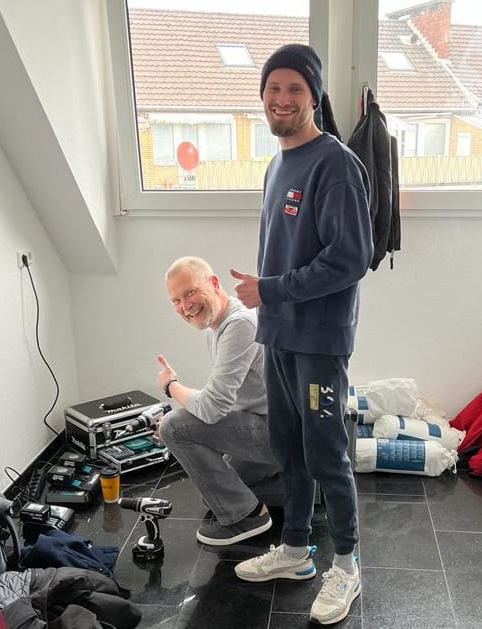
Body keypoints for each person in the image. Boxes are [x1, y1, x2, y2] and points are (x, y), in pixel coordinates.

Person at [229, 43, 374, 626]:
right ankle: (294, 549)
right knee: (287, 447)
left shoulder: (335, 164)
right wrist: (269, 300)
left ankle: (347, 564)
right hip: (280, 334)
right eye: (273, 88)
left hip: (318, 339)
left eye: (294, 89)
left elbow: (350, 259)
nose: (282, 99)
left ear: (314, 97)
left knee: (325, 452)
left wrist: (270, 289)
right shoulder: (277, 165)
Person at [154, 256, 281, 546]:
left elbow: (211, 409)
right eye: (176, 301)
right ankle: (290, 480)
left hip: (277, 433)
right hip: (267, 425)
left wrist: (170, 386)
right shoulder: (218, 325)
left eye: (189, 293)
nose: (185, 306)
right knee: (213, 490)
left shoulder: (239, 325)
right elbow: (223, 399)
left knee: (173, 426)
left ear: (213, 283)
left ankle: (248, 517)